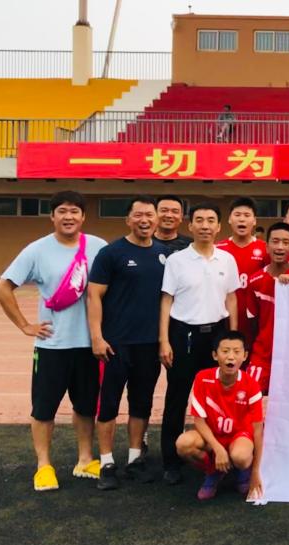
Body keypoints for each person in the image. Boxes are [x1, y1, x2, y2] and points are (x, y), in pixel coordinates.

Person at [0, 190, 108, 491]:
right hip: (52, 346)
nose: (68, 217)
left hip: (89, 345)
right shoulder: (37, 250)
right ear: (52, 216)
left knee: (86, 406)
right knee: (44, 408)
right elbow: (2, 288)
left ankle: (85, 459)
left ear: (83, 216)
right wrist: (25, 325)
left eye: (74, 211)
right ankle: (44, 465)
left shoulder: (98, 247)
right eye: (62, 211)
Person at [86, 195, 171, 490]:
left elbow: (167, 299)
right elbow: (94, 295)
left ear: (157, 219)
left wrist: (164, 340)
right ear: (128, 220)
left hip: (149, 344)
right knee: (109, 403)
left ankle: (135, 459)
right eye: (138, 215)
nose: (144, 220)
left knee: (141, 402)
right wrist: (97, 337)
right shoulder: (111, 253)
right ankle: (107, 462)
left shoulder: (164, 255)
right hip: (115, 344)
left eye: (149, 215)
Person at [158, 202, 240, 485]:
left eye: (211, 220)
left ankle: (221, 455)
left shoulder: (226, 259)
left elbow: (231, 298)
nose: (205, 225)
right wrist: (164, 340)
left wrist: (233, 339)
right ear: (190, 225)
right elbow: (166, 300)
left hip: (216, 335)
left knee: (219, 398)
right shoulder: (177, 260)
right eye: (200, 220)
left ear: (219, 226)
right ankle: (171, 461)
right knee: (177, 398)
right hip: (184, 336)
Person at [176, 331, 264, 501]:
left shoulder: (251, 384)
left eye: (236, 352)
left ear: (245, 356)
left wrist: (255, 472)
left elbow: (258, 430)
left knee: (241, 456)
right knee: (183, 444)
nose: (231, 357)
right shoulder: (202, 378)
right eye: (225, 351)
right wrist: (218, 449)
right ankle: (214, 472)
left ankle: (243, 470)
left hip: (239, 436)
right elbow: (199, 420)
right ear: (215, 355)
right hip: (212, 435)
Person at [244, 222, 289, 394]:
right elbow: (252, 322)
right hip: (263, 354)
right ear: (267, 246)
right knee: (251, 396)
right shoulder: (255, 280)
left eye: (286, 242)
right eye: (275, 241)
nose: (280, 247)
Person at [216, 198, 269, 343]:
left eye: (247, 215)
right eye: (237, 215)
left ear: (254, 220)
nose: (242, 219)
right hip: (224, 318)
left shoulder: (265, 249)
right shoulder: (218, 249)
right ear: (229, 219)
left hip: (255, 318)